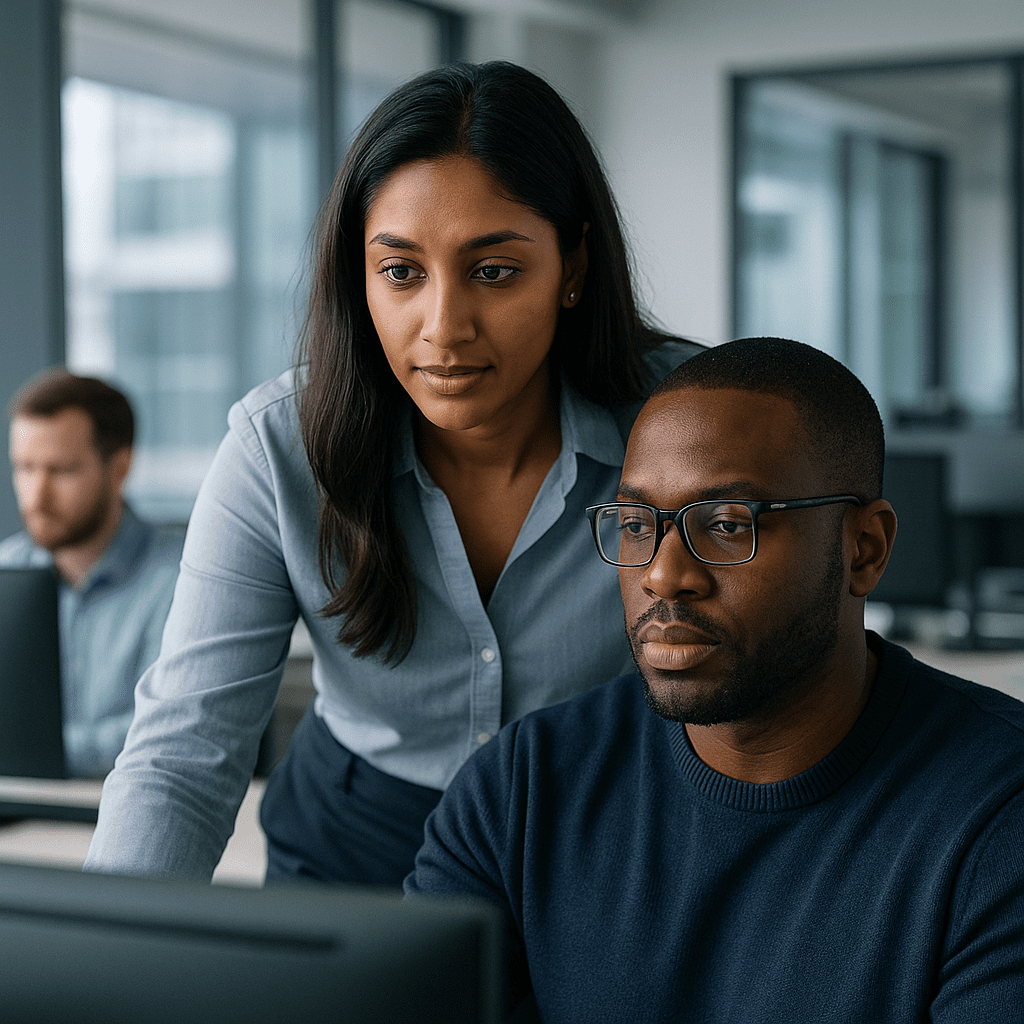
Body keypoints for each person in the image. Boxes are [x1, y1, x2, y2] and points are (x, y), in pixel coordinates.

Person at [83, 61, 701, 883]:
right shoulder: (277, 451)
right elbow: (184, 753)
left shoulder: (686, 424)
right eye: (401, 272)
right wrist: (112, 955)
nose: (442, 328)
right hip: (354, 840)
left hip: (607, 836)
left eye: (494, 271)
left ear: (574, 268)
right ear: (360, 273)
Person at [407, 337, 1024, 1023]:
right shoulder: (522, 789)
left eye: (729, 524)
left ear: (864, 549)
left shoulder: (998, 815)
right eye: (638, 523)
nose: (663, 575)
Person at [0, 370, 184, 778]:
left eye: (61, 470)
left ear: (119, 468)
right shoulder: (5, 570)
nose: (36, 496)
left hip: (125, 809)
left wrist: (32, 753)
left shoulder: (181, 579)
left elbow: (166, 731)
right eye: (24, 468)